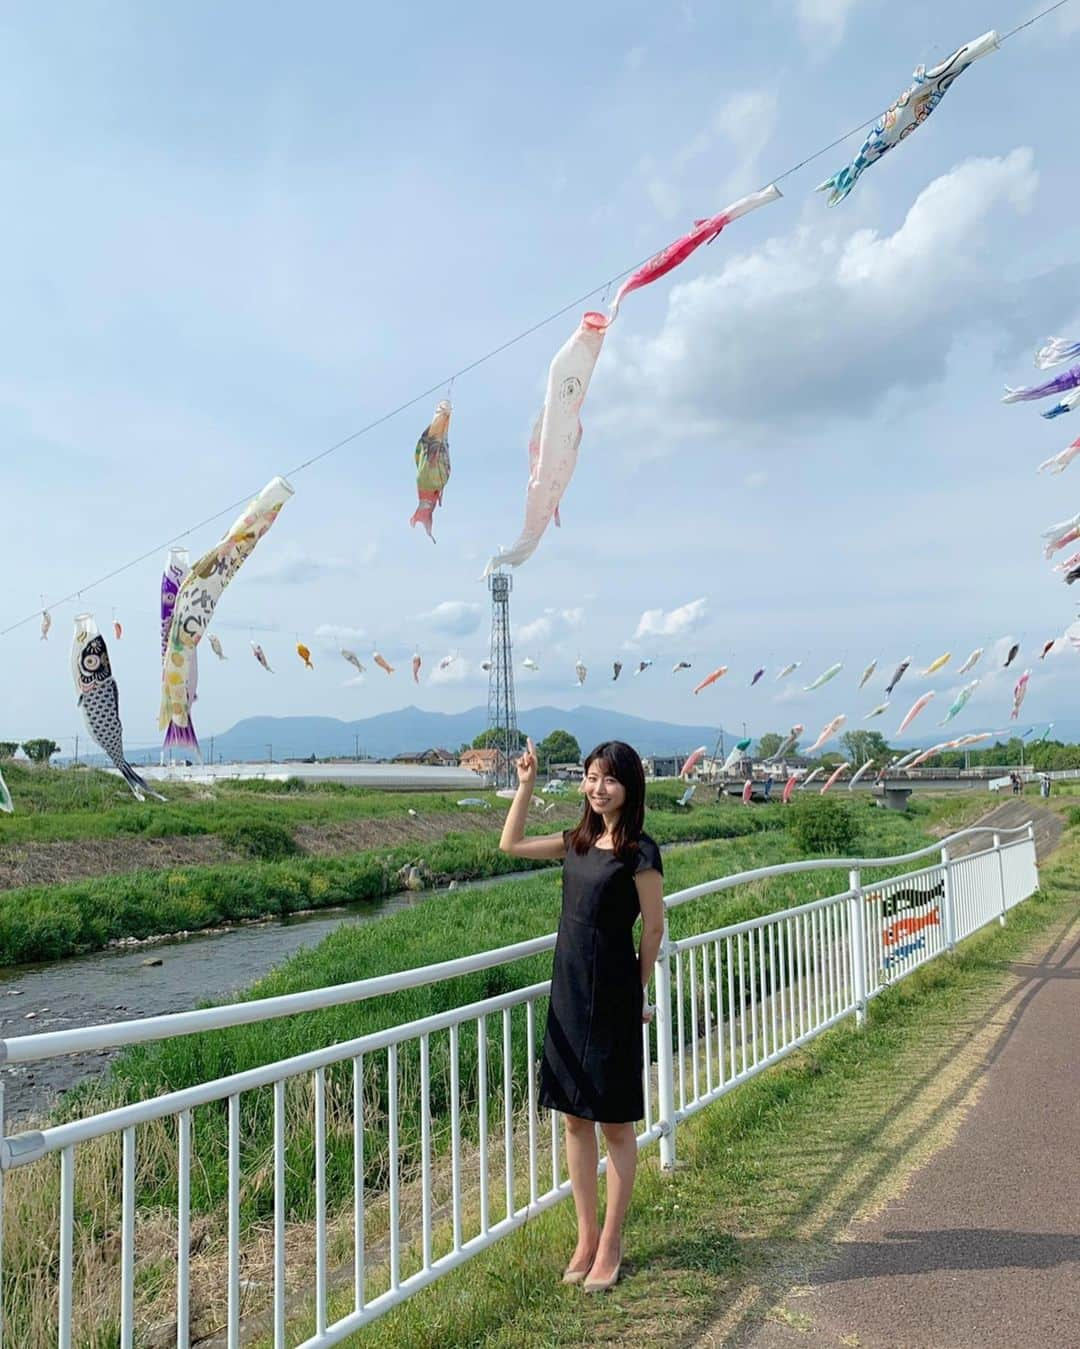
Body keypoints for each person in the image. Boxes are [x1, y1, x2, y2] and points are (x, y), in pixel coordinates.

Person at [499, 737, 664, 1292]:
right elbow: (511, 843)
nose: (598, 788)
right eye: (592, 777)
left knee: (615, 1123)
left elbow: (654, 929)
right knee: (573, 1117)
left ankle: (612, 1243)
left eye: (609, 779)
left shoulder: (640, 851)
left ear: (629, 786)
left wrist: (636, 993)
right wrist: (525, 784)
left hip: (613, 994)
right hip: (568, 992)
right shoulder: (576, 842)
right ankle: (586, 1237)